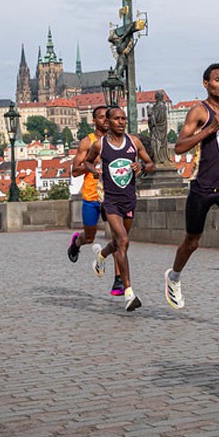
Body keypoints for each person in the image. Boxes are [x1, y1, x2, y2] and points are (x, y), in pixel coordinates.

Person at [164, 63, 219, 312]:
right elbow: (180, 146)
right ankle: (173, 278)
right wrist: (210, 129)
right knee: (192, 241)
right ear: (206, 84)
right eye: (218, 80)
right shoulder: (198, 112)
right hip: (202, 187)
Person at [84, 107, 155, 311]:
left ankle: (101, 256)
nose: (121, 122)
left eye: (123, 118)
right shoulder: (100, 145)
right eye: (117, 119)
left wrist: (141, 166)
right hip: (111, 201)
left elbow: (151, 164)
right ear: (108, 121)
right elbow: (87, 162)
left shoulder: (134, 142)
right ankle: (129, 293)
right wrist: (95, 170)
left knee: (117, 243)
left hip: (129, 200)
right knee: (123, 241)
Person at [68, 106, 126, 295]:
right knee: (90, 236)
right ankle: (77, 243)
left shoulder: (118, 142)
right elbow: (75, 170)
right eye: (101, 118)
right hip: (91, 196)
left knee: (118, 238)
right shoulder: (88, 142)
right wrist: (93, 164)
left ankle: (118, 280)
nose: (105, 121)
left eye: (106, 118)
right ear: (94, 121)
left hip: (111, 196)